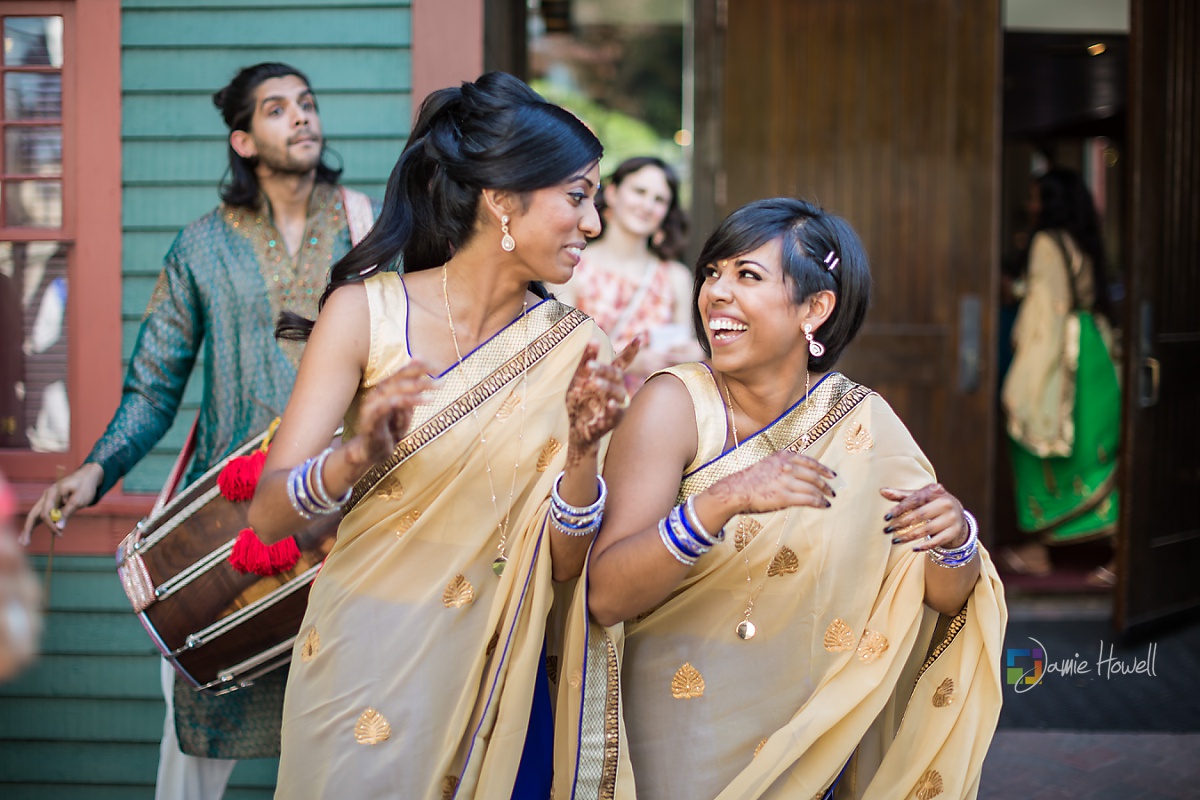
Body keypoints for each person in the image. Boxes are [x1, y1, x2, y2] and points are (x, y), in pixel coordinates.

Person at [246, 71, 638, 798]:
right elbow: (269, 516)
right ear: (502, 199)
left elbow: (564, 567)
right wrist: (355, 456)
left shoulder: (581, 350)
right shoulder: (365, 316)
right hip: (364, 661)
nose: (592, 224)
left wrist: (584, 454)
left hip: (503, 669)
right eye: (577, 196)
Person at [556, 198, 1006, 799]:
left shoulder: (861, 422)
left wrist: (956, 540)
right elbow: (606, 596)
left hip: (806, 747)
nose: (716, 293)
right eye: (712, 273)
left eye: (747, 275)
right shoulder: (676, 404)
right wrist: (720, 502)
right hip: (676, 743)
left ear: (815, 308)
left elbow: (942, 597)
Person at [20, 62, 379, 800]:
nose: (302, 117)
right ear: (243, 141)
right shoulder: (200, 247)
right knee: (196, 743)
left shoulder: (366, 228)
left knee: (350, 737)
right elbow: (154, 387)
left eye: (307, 103)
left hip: (341, 520)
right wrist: (95, 470)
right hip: (227, 526)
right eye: (277, 109)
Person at [1000, 168, 1119, 586]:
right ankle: (1109, 553)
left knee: (1034, 436)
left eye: (1036, 197)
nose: (1031, 206)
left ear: (1051, 202)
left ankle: (1045, 550)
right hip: (1093, 350)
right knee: (1094, 451)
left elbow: (1046, 308)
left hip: (1062, 353)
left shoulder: (1048, 241)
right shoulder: (1084, 239)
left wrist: (1025, 380)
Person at [554, 156, 705, 388]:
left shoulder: (676, 277)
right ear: (612, 193)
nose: (647, 205)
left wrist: (694, 352)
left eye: (659, 199)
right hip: (587, 404)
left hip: (655, 404)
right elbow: (558, 352)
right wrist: (626, 361)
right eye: (639, 191)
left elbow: (683, 349)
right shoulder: (573, 266)